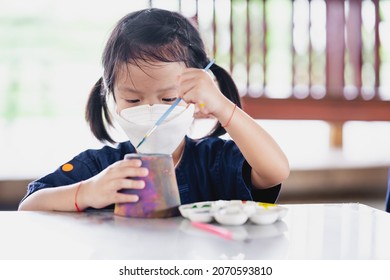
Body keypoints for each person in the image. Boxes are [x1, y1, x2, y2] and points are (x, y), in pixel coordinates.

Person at [18, 8, 289, 212]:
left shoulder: (214, 162)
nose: (150, 111)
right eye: (133, 101)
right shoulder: (101, 168)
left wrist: (222, 107)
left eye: (169, 97)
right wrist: (86, 192)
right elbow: (29, 207)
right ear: (110, 96)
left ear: (196, 99)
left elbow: (275, 171)